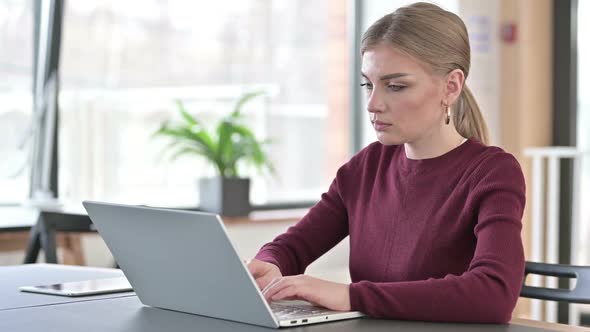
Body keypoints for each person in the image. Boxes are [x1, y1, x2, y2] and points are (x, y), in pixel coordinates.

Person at [247, 2, 525, 324]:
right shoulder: (366, 167)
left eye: (396, 86)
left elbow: (494, 295)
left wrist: (350, 296)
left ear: (451, 86)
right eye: (369, 84)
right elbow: (293, 246)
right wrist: (270, 264)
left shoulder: (492, 173)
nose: (373, 103)